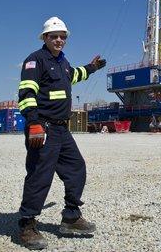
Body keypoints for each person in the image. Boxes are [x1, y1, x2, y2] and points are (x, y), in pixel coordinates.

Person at [17, 16, 106, 250]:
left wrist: (92, 68)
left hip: (61, 128)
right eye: (54, 36)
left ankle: (71, 216)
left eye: (62, 37)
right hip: (43, 127)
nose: (59, 40)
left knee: (76, 167)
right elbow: (26, 94)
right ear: (45, 38)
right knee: (39, 175)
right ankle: (27, 224)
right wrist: (34, 123)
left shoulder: (63, 62)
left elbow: (74, 75)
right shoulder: (35, 61)